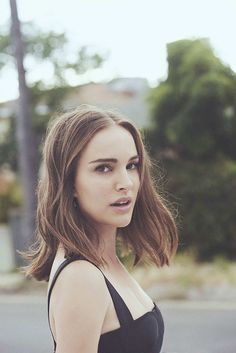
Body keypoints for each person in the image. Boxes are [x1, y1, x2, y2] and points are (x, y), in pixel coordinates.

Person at [24, 105, 178, 353]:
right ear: (69, 182)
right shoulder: (82, 277)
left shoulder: (102, 261)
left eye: (131, 165)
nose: (126, 183)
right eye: (104, 168)